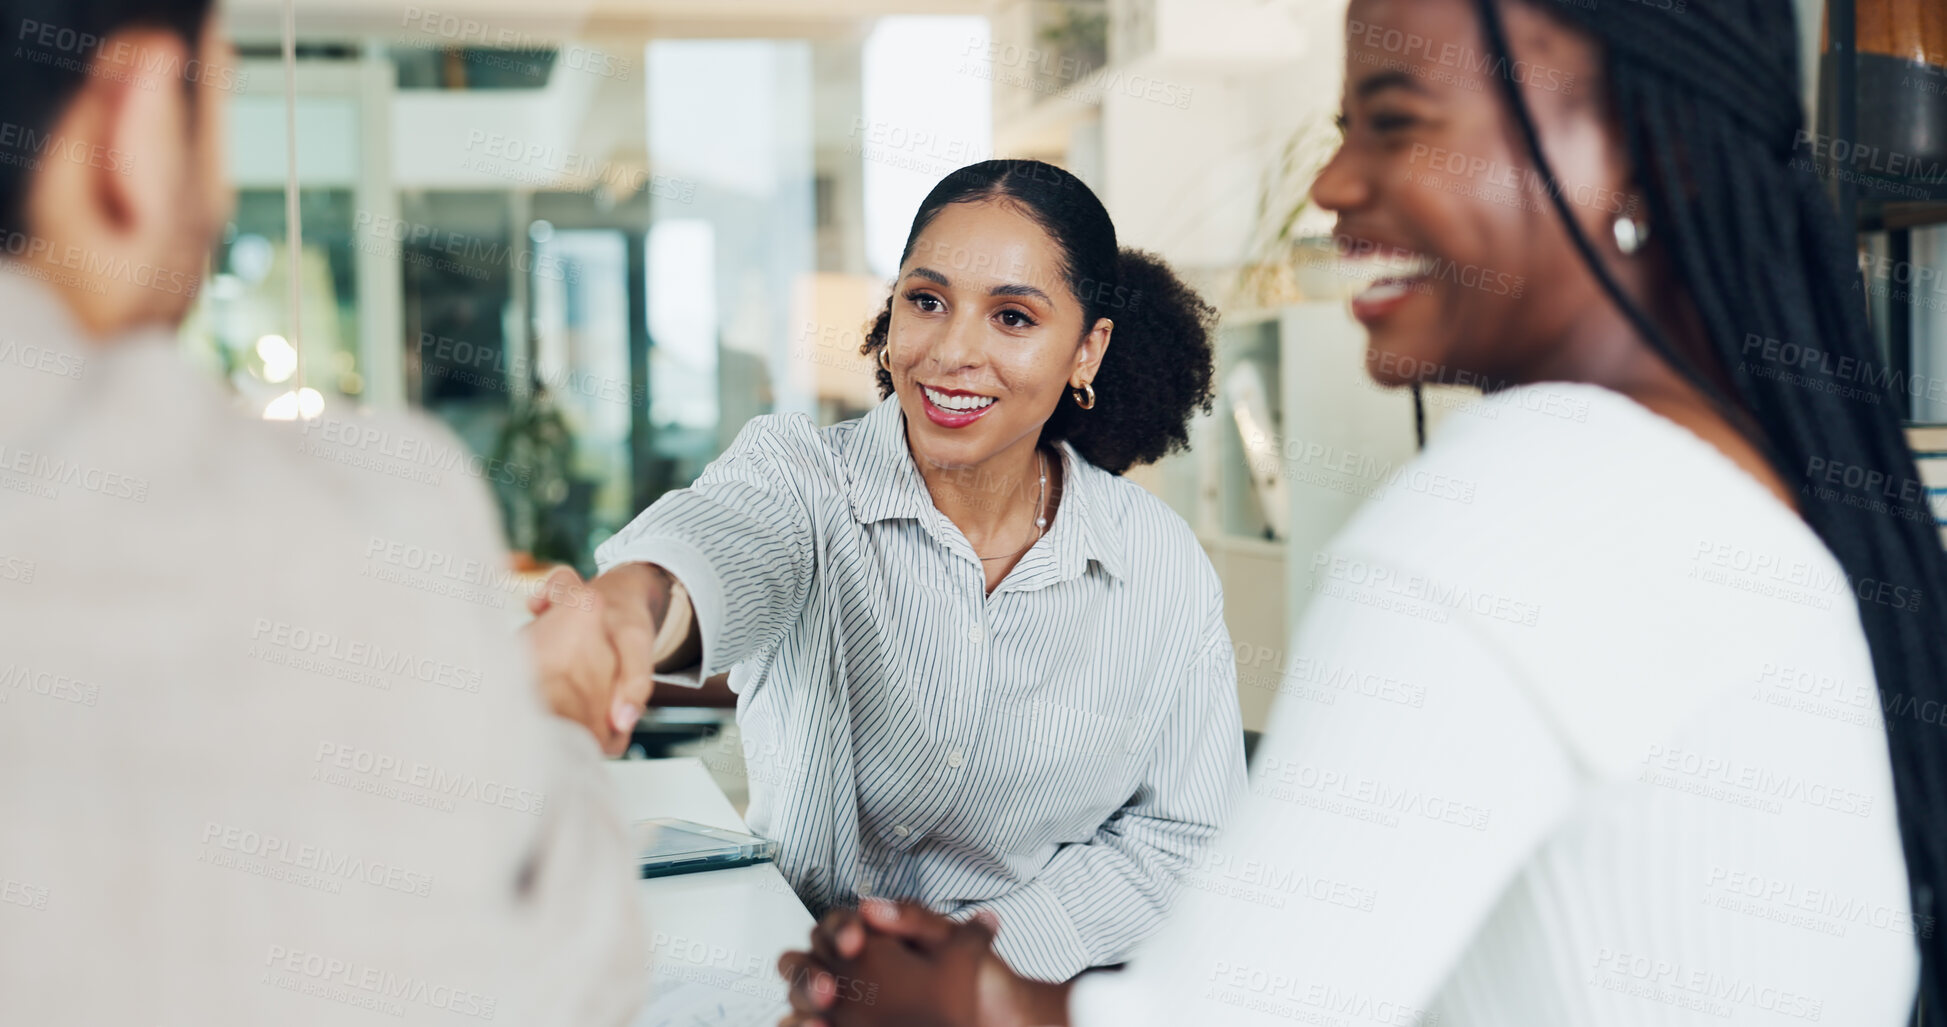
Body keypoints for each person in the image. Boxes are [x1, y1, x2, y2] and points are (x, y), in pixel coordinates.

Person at [776, 0, 1945, 1023]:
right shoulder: (1739, 485)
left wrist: (970, 1007)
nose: (1335, 182)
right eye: (1342, 130)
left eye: (1394, 119)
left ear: (1633, 145)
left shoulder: (1522, 501)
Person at [0, 2, 654, 1023]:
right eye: (225, 109)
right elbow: (561, 983)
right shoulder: (363, 521)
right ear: (133, 129)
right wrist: (553, 715)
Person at [578, 158, 1246, 981]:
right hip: (799, 981)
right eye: (926, 301)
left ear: (1086, 349)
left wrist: (963, 968)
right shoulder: (806, 478)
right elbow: (723, 544)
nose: (953, 351)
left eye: (1011, 317)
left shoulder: (1159, 562)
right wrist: (627, 608)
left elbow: (1182, 834)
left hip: (1024, 1001)